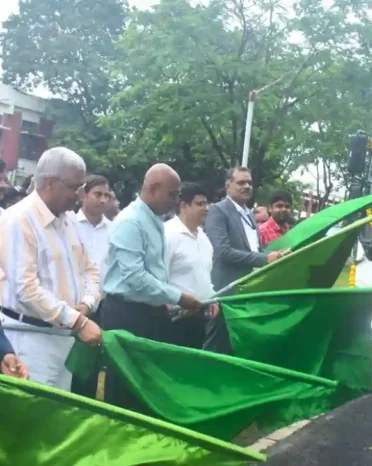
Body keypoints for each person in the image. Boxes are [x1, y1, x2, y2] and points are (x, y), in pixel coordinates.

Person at [102, 164, 203, 410]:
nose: (176, 201)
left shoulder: (154, 219)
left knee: (147, 384)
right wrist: (178, 297)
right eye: (172, 194)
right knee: (125, 385)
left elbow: (156, 271)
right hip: (126, 313)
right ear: (153, 188)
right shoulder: (131, 221)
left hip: (149, 313)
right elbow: (135, 277)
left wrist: (167, 303)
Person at [0, 147, 103, 390]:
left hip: (64, 337)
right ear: (50, 183)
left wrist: (86, 305)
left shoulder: (69, 220)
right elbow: (26, 289)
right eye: (74, 187)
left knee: (55, 418)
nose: (79, 194)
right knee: (29, 418)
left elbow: (91, 270)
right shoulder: (19, 220)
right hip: (30, 339)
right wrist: (77, 321)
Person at [204, 167, 285, 354]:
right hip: (226, 290)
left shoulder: (249, 214)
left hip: (248, 290)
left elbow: (254, 248)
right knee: (216, 343)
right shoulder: (218, 211)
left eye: (249, 182)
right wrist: (265, 259)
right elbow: (223, 252)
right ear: (228, 186)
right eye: (241, 182)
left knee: (236, 344)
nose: (247, 186)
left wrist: (275, 255)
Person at [71, 174, 112, 398]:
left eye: (107, 195)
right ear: (84, 194)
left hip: (100, 307)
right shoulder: (69, 224)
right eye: (97, 194)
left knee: (89, 369)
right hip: (71, 306)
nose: (103, 200)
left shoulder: (113, 230)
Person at [165, 182, 218, 349]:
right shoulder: (167, 235)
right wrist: (176, 303)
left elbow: (204, 275)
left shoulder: (203, 238)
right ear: (183, 205)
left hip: (200, 318)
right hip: (173, 320)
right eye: (200, 204)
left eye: (207, 203)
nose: (206, 208)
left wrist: (213, 298)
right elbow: (158, 278)